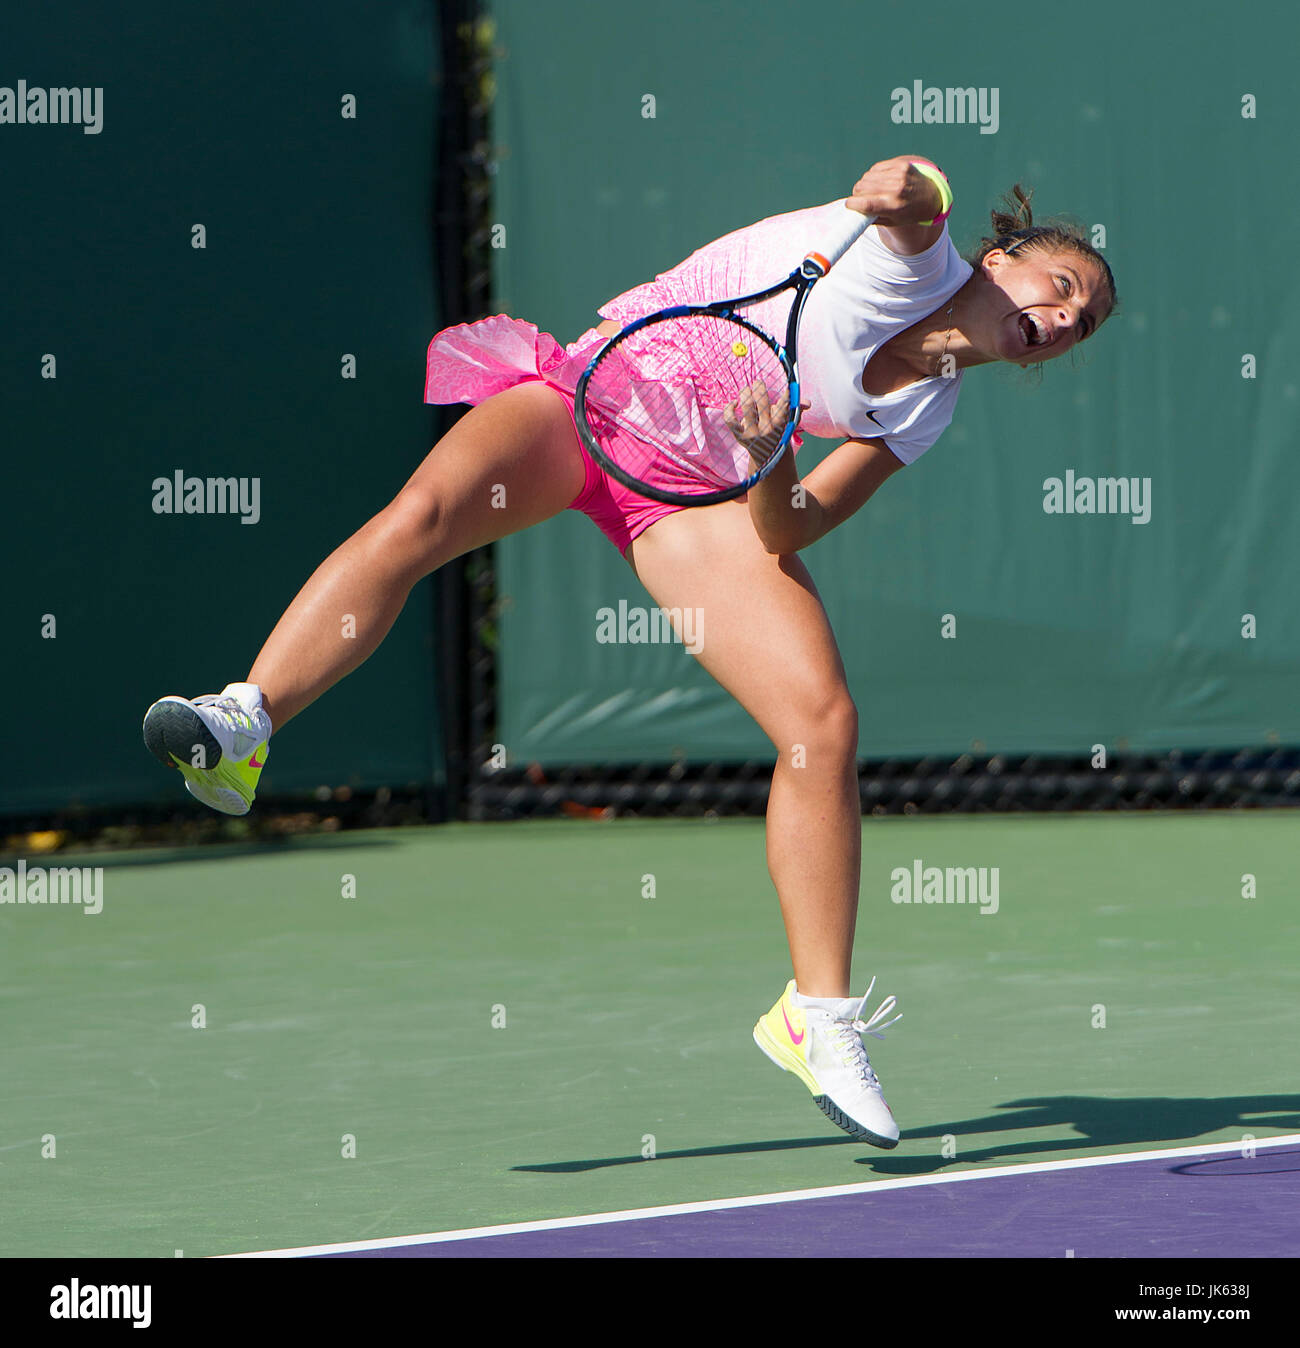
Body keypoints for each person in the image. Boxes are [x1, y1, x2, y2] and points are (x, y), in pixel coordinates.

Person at [143, 155, 1116, 1148]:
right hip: (593, 402)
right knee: (422, 516)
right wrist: (904, 189)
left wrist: (771, 454)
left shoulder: (925, 405)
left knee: (820, 724)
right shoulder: (903, 261)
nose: (1069, 316)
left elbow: (786, 530)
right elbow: (916, 193)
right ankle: (245, 720)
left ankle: (815, 1019)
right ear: (996, 260)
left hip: (690, 499)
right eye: (1064, 285)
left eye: (1085, 324)